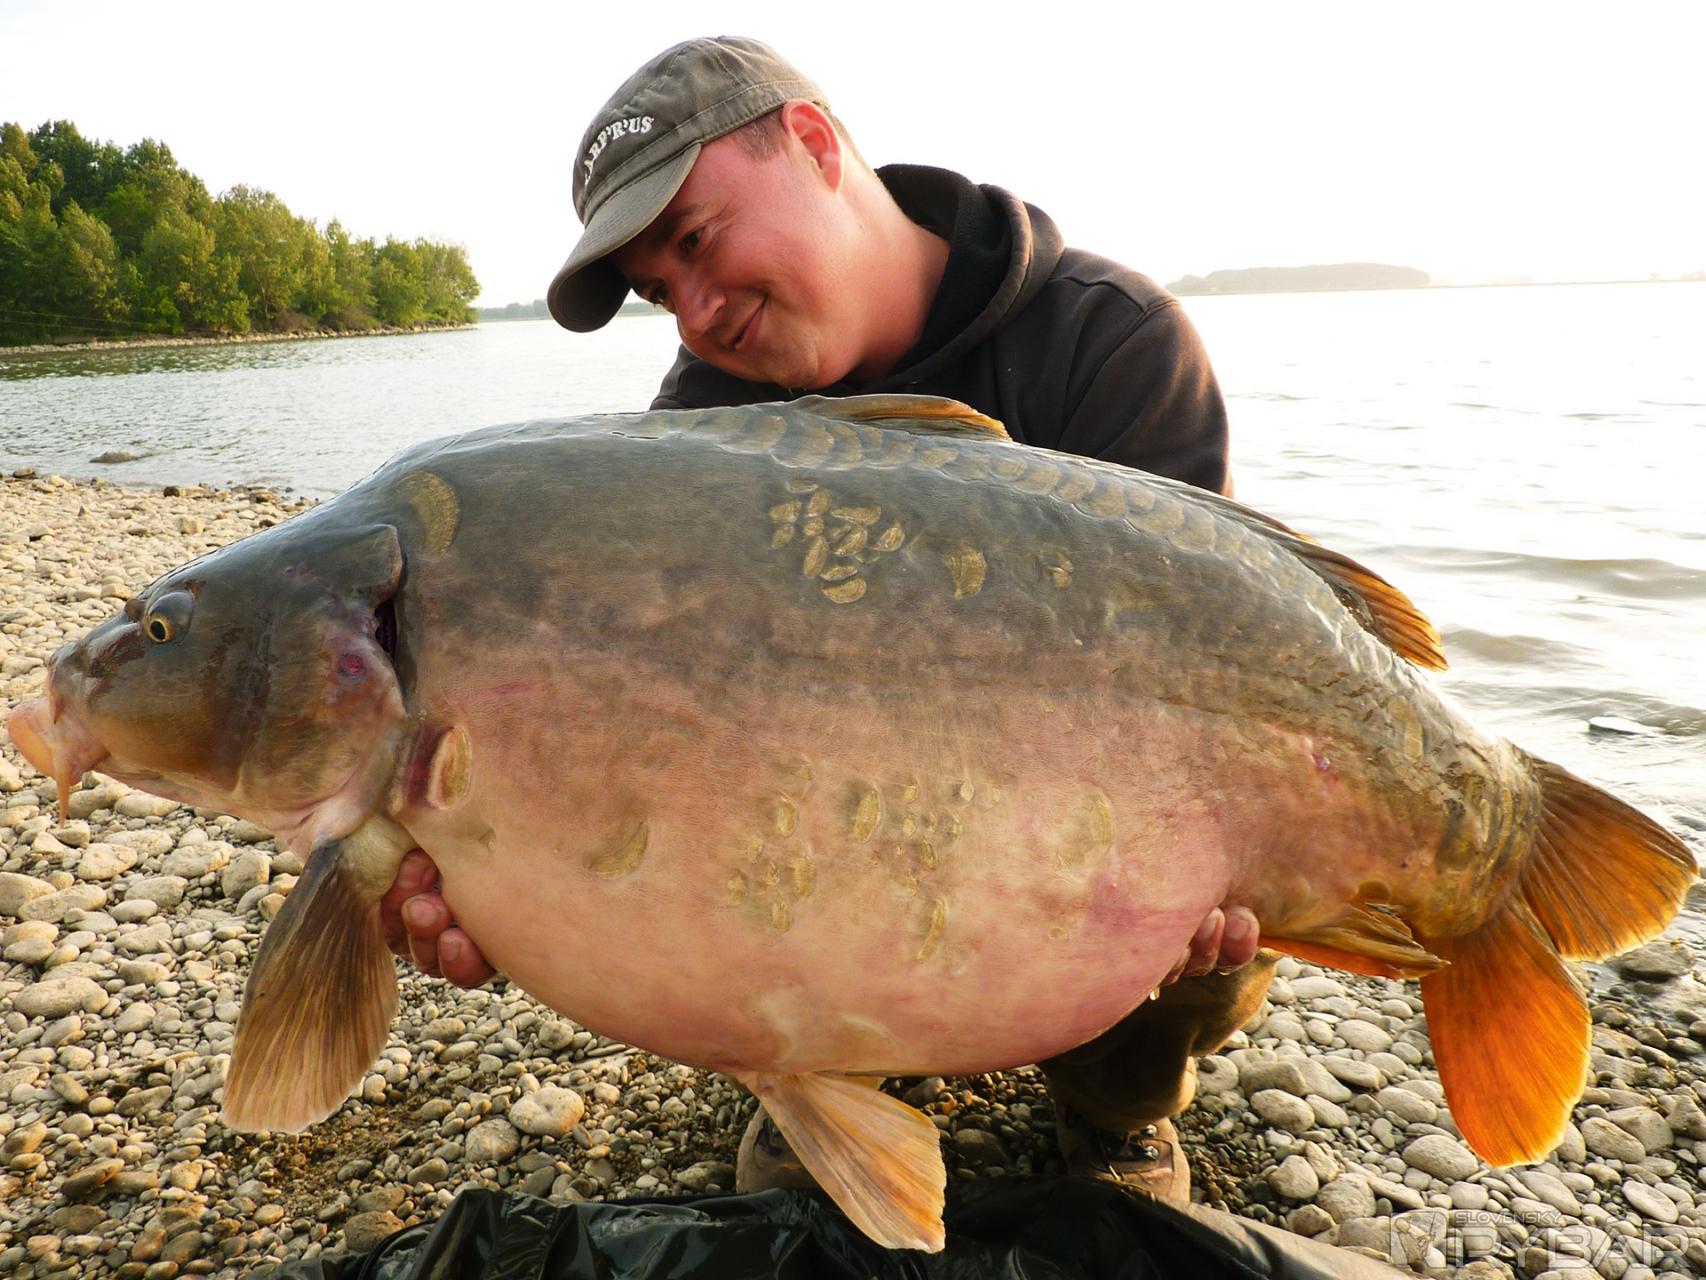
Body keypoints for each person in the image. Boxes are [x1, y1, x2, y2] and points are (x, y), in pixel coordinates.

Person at [383, 33, 1273, 1215]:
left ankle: (1115, 1099)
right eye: (659, 291)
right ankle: (830, 1076)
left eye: (694, 241)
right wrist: (507, 862)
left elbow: (1226, 661)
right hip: (853, 828)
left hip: (1086, 823)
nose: (696, 313)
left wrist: (1212, 848)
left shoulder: (1109, 340)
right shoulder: (698, 434)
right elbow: (665, 739)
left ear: (811, 143)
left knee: (1231, 856)